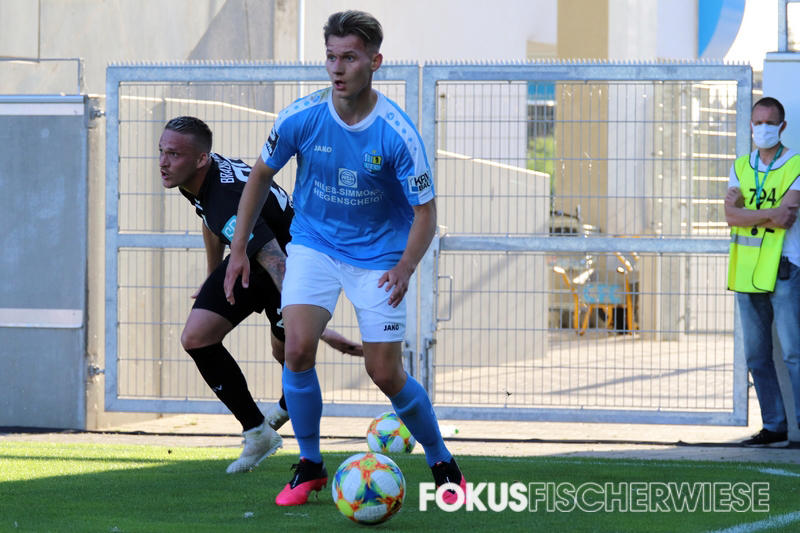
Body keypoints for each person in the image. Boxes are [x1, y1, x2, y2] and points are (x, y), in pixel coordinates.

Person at [224, 10, 467, 506]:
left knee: (384, 373)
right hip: (315, 245)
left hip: (380, 257)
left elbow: (426, 214)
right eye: (331, 57)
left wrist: (405, 267)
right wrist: (238, 249)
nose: (337, 68)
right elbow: (260, 175)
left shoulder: (397, 133)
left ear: (375, 62)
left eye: (350, 58)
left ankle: (441, 459)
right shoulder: (300, 117)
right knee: (296, 349)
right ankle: (310, 465)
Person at [158, 116, 363, 473]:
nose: (163, 162)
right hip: (253, 262)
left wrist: (318, 328)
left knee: (290, 354)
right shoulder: (196, 178)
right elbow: (210, 219)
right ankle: (257, 432)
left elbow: (278, 263)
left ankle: (291, 418)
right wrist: (212, 275)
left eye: (173, 154)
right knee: (196, 337)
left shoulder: (225, 196)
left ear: (202, 158)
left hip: (292, 267)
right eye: (161, 151)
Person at [725, 96, 800, 448]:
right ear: (750, 125)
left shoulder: (796, 164)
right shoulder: (741, 166)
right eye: (758, 122)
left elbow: (788, 218)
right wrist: (768, 213)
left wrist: (748, 213)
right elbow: (731, 217)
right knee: (756, 355)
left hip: (785, 268)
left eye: (770, 123)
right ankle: (774, 426)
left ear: (782, 126)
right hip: (748, 271)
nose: (763, 128)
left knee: (794, 354)